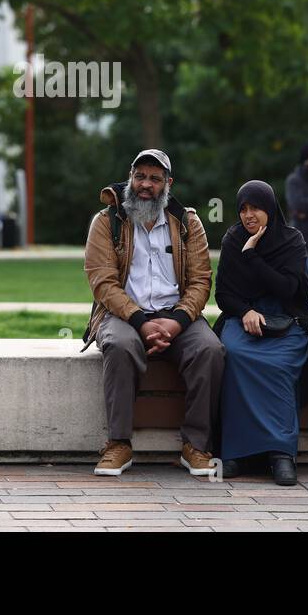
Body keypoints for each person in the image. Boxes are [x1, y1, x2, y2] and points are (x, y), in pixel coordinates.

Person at [83, 149, 223, 478]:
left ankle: (196, 445)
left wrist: (177, 322)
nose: (146, 184)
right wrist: (141, 323)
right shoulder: (106, 222)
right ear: (131, 177)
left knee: (210, 350)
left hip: (177, 316)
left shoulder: (188, 222)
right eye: (140, 176)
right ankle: (119, 443)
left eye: (155, 179)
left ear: (168, 183)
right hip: (122, 315)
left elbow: (202, 280)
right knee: (120, 346)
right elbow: (102, 282)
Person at [213, 179, 308, 486]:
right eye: (243, 209)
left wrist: (252, 256)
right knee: (235, 354)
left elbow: (287, 288)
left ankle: (281, 453)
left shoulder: (292, 239)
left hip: (286, 317)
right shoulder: (233, 238)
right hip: (243, 317)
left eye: (255, 207)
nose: (248, 215)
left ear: (270, 208)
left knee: (279, 363)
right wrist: (245, 312)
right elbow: (223, 295)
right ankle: (237, 453)